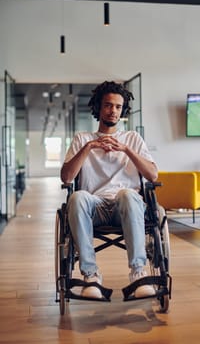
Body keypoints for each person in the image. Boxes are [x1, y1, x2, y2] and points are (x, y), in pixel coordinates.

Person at [60, 81, 158, 299]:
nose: (113, 111)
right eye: (108, 105)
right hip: (94, 207)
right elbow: (66, 177)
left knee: (127, 194)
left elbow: (152, 175)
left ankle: (138, 273)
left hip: (127, 205)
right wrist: (89, 148)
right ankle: (91, 276)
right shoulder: (82, 139)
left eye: (117, 107)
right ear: (98, 107)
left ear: (122, 110)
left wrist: (125, 149)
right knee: (77, 197)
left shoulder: (132, 138)